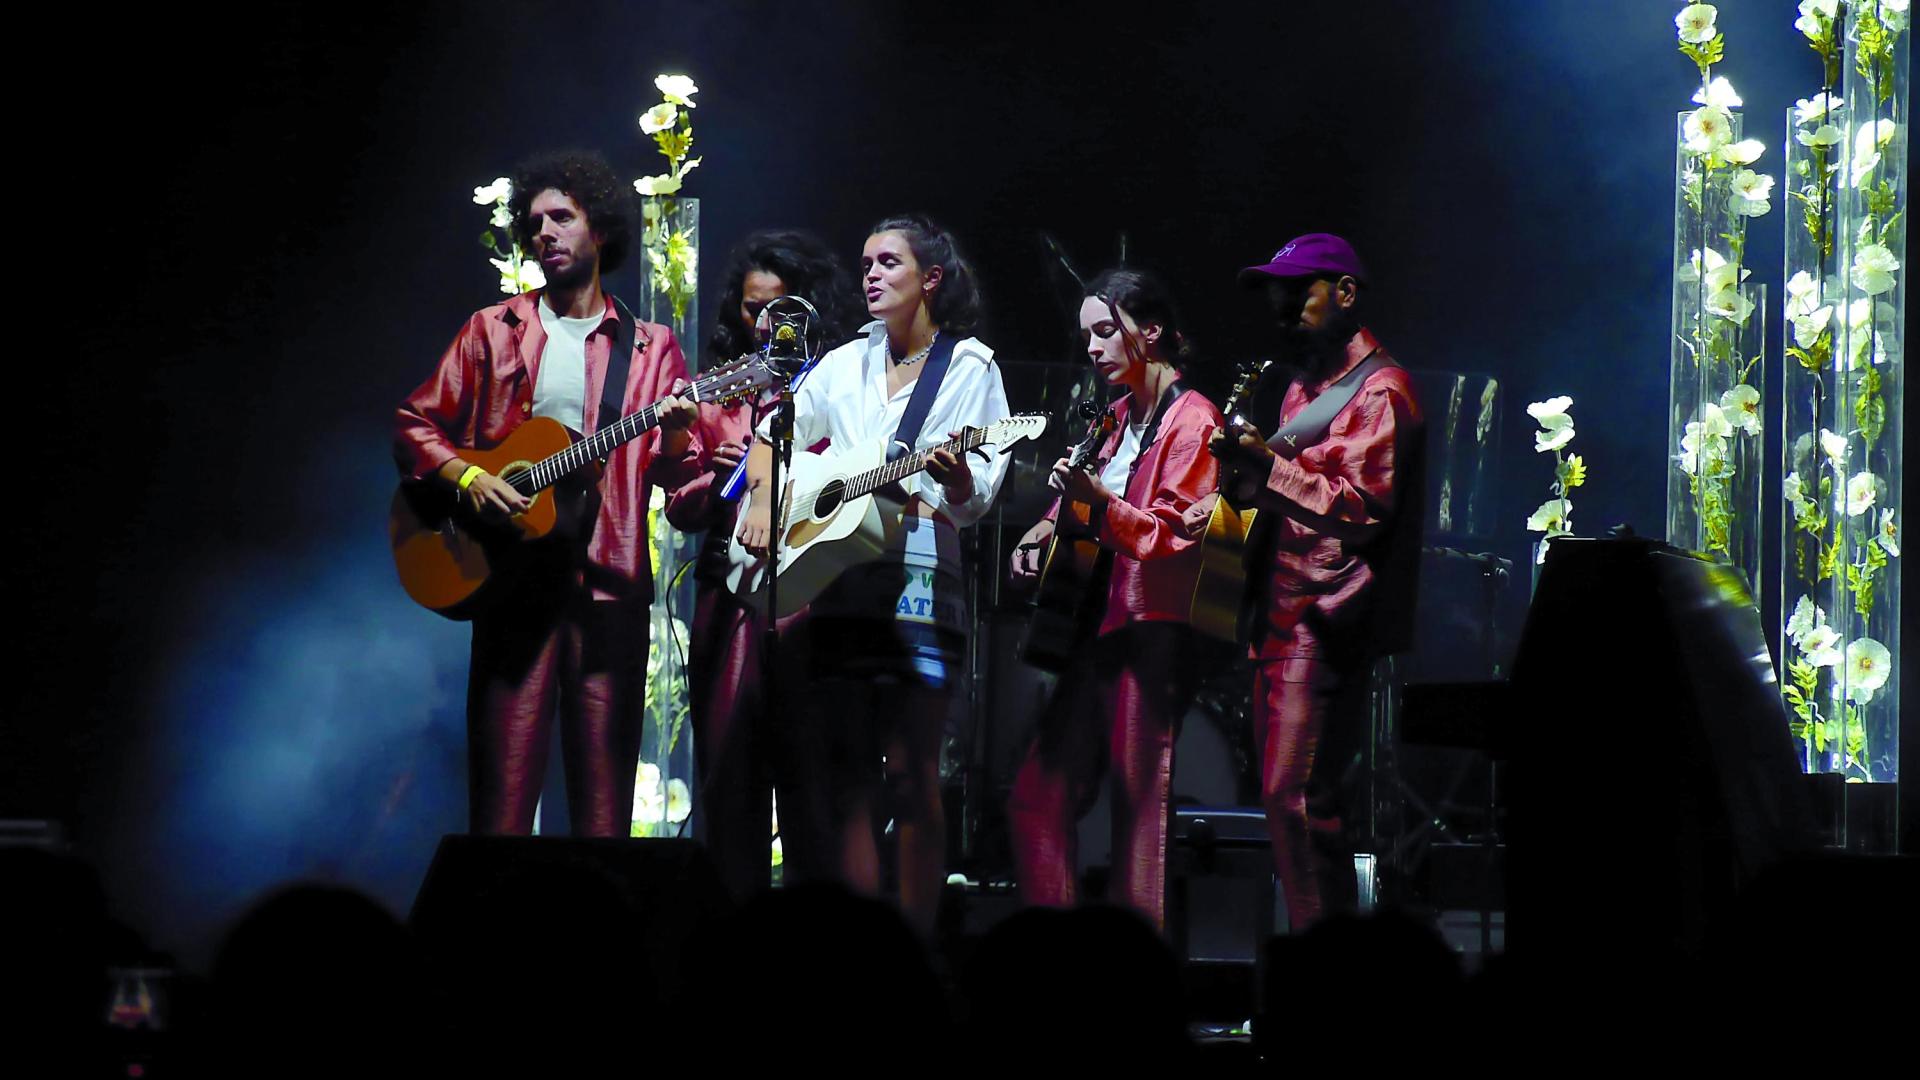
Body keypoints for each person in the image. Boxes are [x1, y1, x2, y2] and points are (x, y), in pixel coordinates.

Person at [394, 152, 700, 836]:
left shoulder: (653, 350)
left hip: (608, 587)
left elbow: (680, 483)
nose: (546, 233)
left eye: (563, 217)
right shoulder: (492, 328)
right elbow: (415, 423)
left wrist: (677, 439)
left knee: (604, 812)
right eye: (534, 223)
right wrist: (471, 477)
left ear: (600, 228)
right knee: (499, 809)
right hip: (508, 583)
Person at [736, 214, 1011, 935]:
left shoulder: (972, 367)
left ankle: (915, 948)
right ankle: (862, 948)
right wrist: (763, 501)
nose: (871, 274)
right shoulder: (843, 360)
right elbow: (772, 434)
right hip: (840, 571)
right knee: (850, 774)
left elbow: (978, 493)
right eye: (864, 263)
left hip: (921, 567)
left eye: (889, 262)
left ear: (932, 279)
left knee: (912, 771)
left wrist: (952, 480)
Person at [1205, 233, 1423, 931]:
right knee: (1287, 807)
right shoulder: (1302, 386)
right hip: (1275, 614)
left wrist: (1263, 470)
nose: (1283, 302)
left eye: (1300, 289)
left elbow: (1360, 511)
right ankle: (1311, 968)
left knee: (1296, 802)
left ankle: (1325, 979)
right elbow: (1280, 495)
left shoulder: (1383, 391)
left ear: (1346, 292)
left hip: (1323, 622)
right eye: (1277, 290)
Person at [1006, 268, 1222, 928]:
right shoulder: (1118, 416)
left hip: (1151, 626)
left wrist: (1101, 505)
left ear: (1149, 332)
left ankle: (1138, 993)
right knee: (1036, 797)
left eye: (1106, 332)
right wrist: (1047, 524)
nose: (1094, 349)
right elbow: (1082, 490)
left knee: (1139, 806)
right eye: (1087, 337)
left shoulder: (1195, 421)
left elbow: (1173, 537)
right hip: (1094, 622)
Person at [666, 229, 854, 900]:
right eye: (753, 308)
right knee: (731, 775)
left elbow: (850, 475)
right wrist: (700, 462)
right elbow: (681, 511)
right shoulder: (720, 392)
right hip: (730, 597)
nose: (767, 321)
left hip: (813, 600)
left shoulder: (837, 385)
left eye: (782, 305)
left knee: (814, 784)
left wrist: (777, 475)